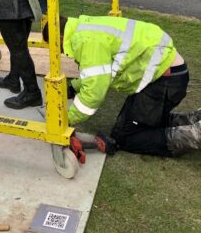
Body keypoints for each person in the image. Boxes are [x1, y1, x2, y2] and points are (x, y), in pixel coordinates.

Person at [61, 14, 201, 156]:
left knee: (125, 137)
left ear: (59, 38)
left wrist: (66, 120)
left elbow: (93, 94)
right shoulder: (86, 28)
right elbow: (101, 73)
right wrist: (74, 87)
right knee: (128, 127)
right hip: (167, 73)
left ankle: (195, 135)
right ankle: (193, 119)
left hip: (165, 81)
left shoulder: (86, 42)